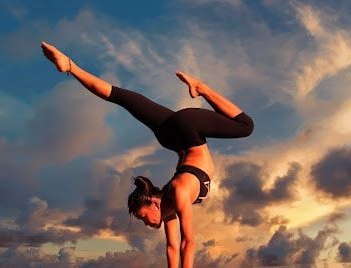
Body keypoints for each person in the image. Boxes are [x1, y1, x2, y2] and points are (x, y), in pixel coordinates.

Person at [41, 41, 254, 268]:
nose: (146, 223)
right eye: (143, 219)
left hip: (188, 131)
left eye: (143, 217)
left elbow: (188, 243)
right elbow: (172, 248)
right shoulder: (169, 209)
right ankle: (70, 66)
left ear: (154, 202)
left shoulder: (179, 192)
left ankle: (201, 88)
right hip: (171, 135)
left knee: (246, 126)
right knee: (121, 97)